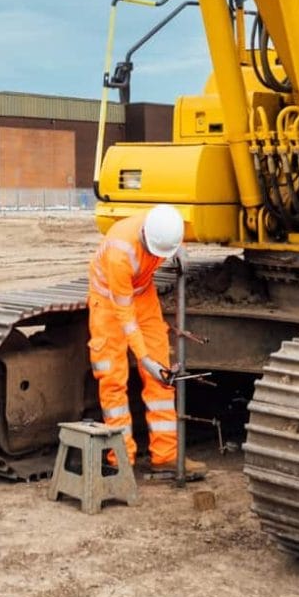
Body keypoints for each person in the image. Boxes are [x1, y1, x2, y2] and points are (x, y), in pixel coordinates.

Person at [87, 204, 207, 480]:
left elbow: (169, 240)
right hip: (110, 301)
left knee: (162, 377)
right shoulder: (120, 252)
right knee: (112, 379)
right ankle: (120, 460)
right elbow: (125, 316)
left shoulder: (164, 225)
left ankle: (165, 456)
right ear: (144, 238)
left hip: (142, 294)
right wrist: (143, 357)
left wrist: (177, 250)